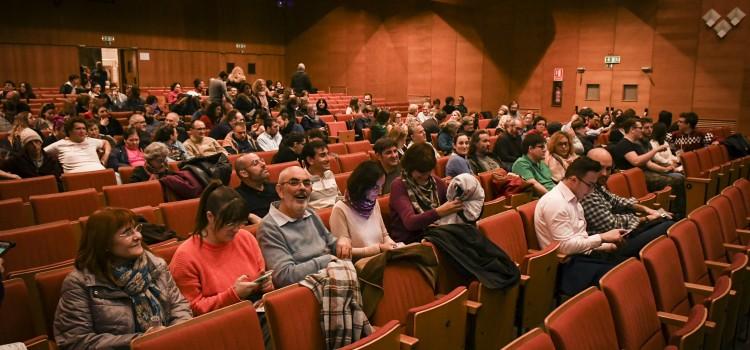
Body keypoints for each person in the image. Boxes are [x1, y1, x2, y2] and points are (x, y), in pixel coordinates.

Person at [54, 207, 192, 349]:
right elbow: (76, 340)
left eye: (136, 228)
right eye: (127, 233)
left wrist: (172, 334)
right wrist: (141, 342)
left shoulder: (156, 265)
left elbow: (179, 306)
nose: (138, 236)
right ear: (105, 243)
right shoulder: (80, 283)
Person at [170, 182, 272, 316]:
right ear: (210, 217)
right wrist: (233, 295)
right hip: (220, 320)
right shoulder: (186, 256)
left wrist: (265, 284)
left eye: (240, 223)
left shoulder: (245, 237)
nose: (236, 229)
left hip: (256, 309)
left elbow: (260, 274)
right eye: (230, 223)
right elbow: (192, 308)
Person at [257, 166, 351, 288]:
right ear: (280, 190)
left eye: (307, 183)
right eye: (294, 182)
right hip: (308, 289)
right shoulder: (269, 227)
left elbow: (332, 244)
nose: (302, 187)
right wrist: (326, 261)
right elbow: (283, 276)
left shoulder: (310, 213)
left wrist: (342, 240)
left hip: (332, 275)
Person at [581, 148, 672, 252]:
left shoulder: (596, 184)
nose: (605, 173)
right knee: (667, 226)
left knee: (665, 220)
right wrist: (647, 219)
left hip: (623, 235)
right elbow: (612, 225)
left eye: (608, 169)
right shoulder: (586, 192)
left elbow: (617, 200)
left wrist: (647, 210)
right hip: (611, 247)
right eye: (600, 168)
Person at [610, 118, 685, 217]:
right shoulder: (624, 144)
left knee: (678, 178)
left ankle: (676, 212)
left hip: (643, 174)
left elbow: (648, 163)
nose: (642, 130)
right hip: (635, 178)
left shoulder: (635, 144)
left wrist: (666, 169)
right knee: (675, 180)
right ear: (632, 129)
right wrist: (655, 150)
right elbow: (636, 161)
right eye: (640, 128)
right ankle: (677, 213)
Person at [389, 143, 463, 243]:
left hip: (436, 236)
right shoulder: (399, 185)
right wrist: (439, 212)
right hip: (410, 242)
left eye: (427, 174)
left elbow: (453, 211)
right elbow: (410, 222)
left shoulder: (436, 182)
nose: (424, 179)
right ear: (409, 168)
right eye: (420, 175)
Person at [330, 161, 399, 260]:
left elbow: (385, 235)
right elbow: (344, 252)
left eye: (381, 187)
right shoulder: (340, 209)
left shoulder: (373, 203)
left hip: (382, 257)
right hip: (362, 264)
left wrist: (393, 246)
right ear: (362, 186)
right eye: (375, 187)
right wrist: (378, 249)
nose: (379, 192)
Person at [44, 117, 111, 173]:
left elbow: (106, 143)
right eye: (78, 129)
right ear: (70, 131)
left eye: (84, 128)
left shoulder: (90, 140)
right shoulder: (60, 144)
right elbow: (42, 153)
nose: (82, 131)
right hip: (76, 179)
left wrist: (105, 157)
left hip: (100, 174)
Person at [235, 153, 280, 224]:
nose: (263, 164)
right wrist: (249, 216)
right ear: (244, 173)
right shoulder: (236, 198)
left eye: (261, 160)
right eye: (255, 163)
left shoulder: (277, 187)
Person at [302, 140, 340, 209]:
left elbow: (338, 196)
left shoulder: (329, 173)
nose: (328, 159)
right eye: (323, 155)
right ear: (310, 160)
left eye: (328, 154)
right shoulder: (302, 180)